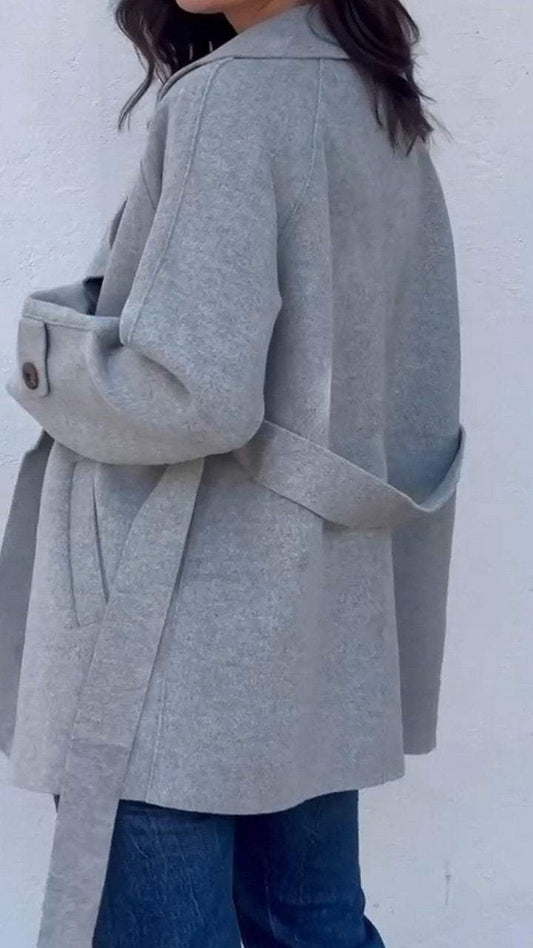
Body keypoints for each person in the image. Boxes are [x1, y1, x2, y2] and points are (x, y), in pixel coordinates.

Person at [0, 0, 466, 945]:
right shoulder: (374, 98)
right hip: (316, 615)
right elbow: (406, 389)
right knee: (312, 924)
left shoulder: (229, 99)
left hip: (176, 623)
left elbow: (193, 392)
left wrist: (50, 361)